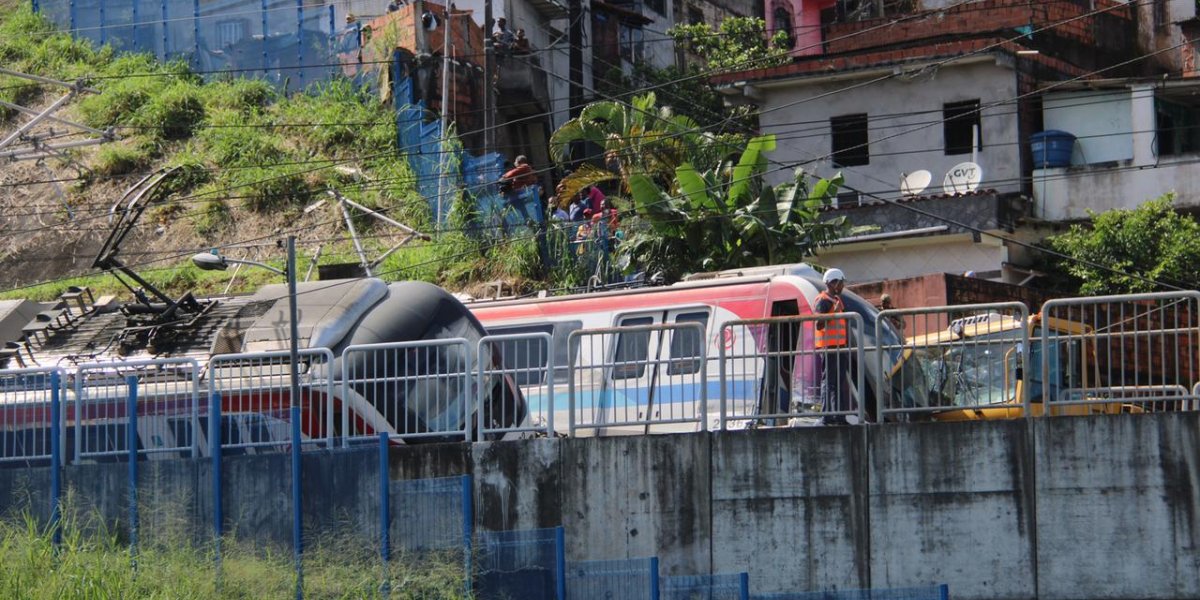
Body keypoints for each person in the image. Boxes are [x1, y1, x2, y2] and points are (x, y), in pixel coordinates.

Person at [815, 268, 857, 425]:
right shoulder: (823, 300)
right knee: (830, 382)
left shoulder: (837, 300)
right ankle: (826, 416)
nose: (843, 286)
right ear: (834, 283)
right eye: (841, 283)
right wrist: (833, 312)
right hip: (829, 347)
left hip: (839, 347)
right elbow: (819, 324)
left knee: (839, 382)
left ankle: (839, 416)